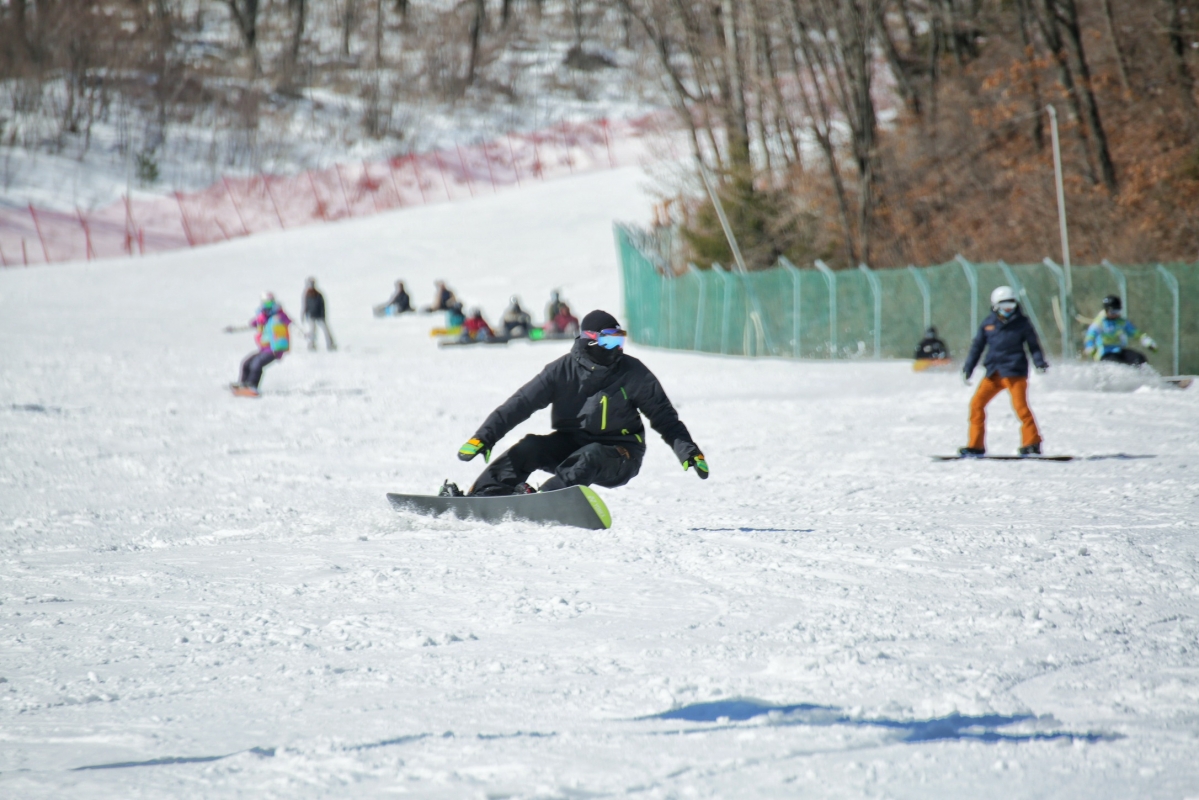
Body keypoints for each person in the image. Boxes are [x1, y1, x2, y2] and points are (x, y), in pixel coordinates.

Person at [445, 309, 708, 497]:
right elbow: (521, 404)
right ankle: (483, 495)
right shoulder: (562, 371)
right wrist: (485, 436)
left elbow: (664, 417)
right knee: (531, 446)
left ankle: (542, 499)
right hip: (572, 443)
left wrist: (688, 450)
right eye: (610, 340)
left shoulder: (633, 372)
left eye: (620, 340)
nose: (617, 348)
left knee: (590, 456)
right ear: (590, 340)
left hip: (621, 453)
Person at [960, 286, 1048, 457]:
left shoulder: (1022, 323)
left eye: (1011, 305)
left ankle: (1032, 442)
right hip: (994, 372)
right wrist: (968, 368)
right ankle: (975, 445)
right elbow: (977, 347)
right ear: (995, 306)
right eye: (1003, 306)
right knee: (977, 404)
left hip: (1015, 372)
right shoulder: (988, 324)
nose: (1008, 309)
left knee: (1020, 407)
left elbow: (1033, 346)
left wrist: (1039, 362)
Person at [232, 293, 292, 397]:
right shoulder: (262, 317)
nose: (267, 306)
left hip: (275, 349)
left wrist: (305, 334)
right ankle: (243, 384)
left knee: (257, 363)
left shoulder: (280, 316)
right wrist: (234, 329)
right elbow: (249, 325)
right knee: (246, 362)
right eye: (265, 303)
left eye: (270, 303)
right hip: (264, 348)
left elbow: (291, 323)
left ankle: (252, 386)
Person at [1084, 294, 1157, 366]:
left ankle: (1144, 375)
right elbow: (1091, 335)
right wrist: (1090, 346)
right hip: (1105, 352)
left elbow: (1134, 332)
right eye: (1113, 312)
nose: (1115, 314)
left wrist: (1145, 340)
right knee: (1115, 363)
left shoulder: (1120, 321)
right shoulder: (1100, 322)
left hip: (1119, 350)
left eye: (1117, 311)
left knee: (1139, 358)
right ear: (1106, 310)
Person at [301, 277, 336, 351]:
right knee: (312, 331)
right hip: (311, 316)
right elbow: (305, 305)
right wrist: (303, 314)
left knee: (326, 330)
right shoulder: (307, 295)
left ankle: (330, 345)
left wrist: (323, 315)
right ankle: (311, 345)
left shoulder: (318, 294)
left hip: (319, 316)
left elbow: (322, 305)